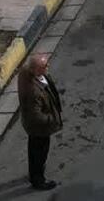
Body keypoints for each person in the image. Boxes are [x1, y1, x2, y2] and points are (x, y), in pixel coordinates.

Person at [18, 53, 63, 190]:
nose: (47, 67)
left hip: (32, 127)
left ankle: (33, 173)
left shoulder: (26, 72)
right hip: (39, 129)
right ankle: (38, 180)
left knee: (33, 151)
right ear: (36, 70)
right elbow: (36, 116)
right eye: (44, 66)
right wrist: (52, 119)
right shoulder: (34, 91)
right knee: (40, 153)